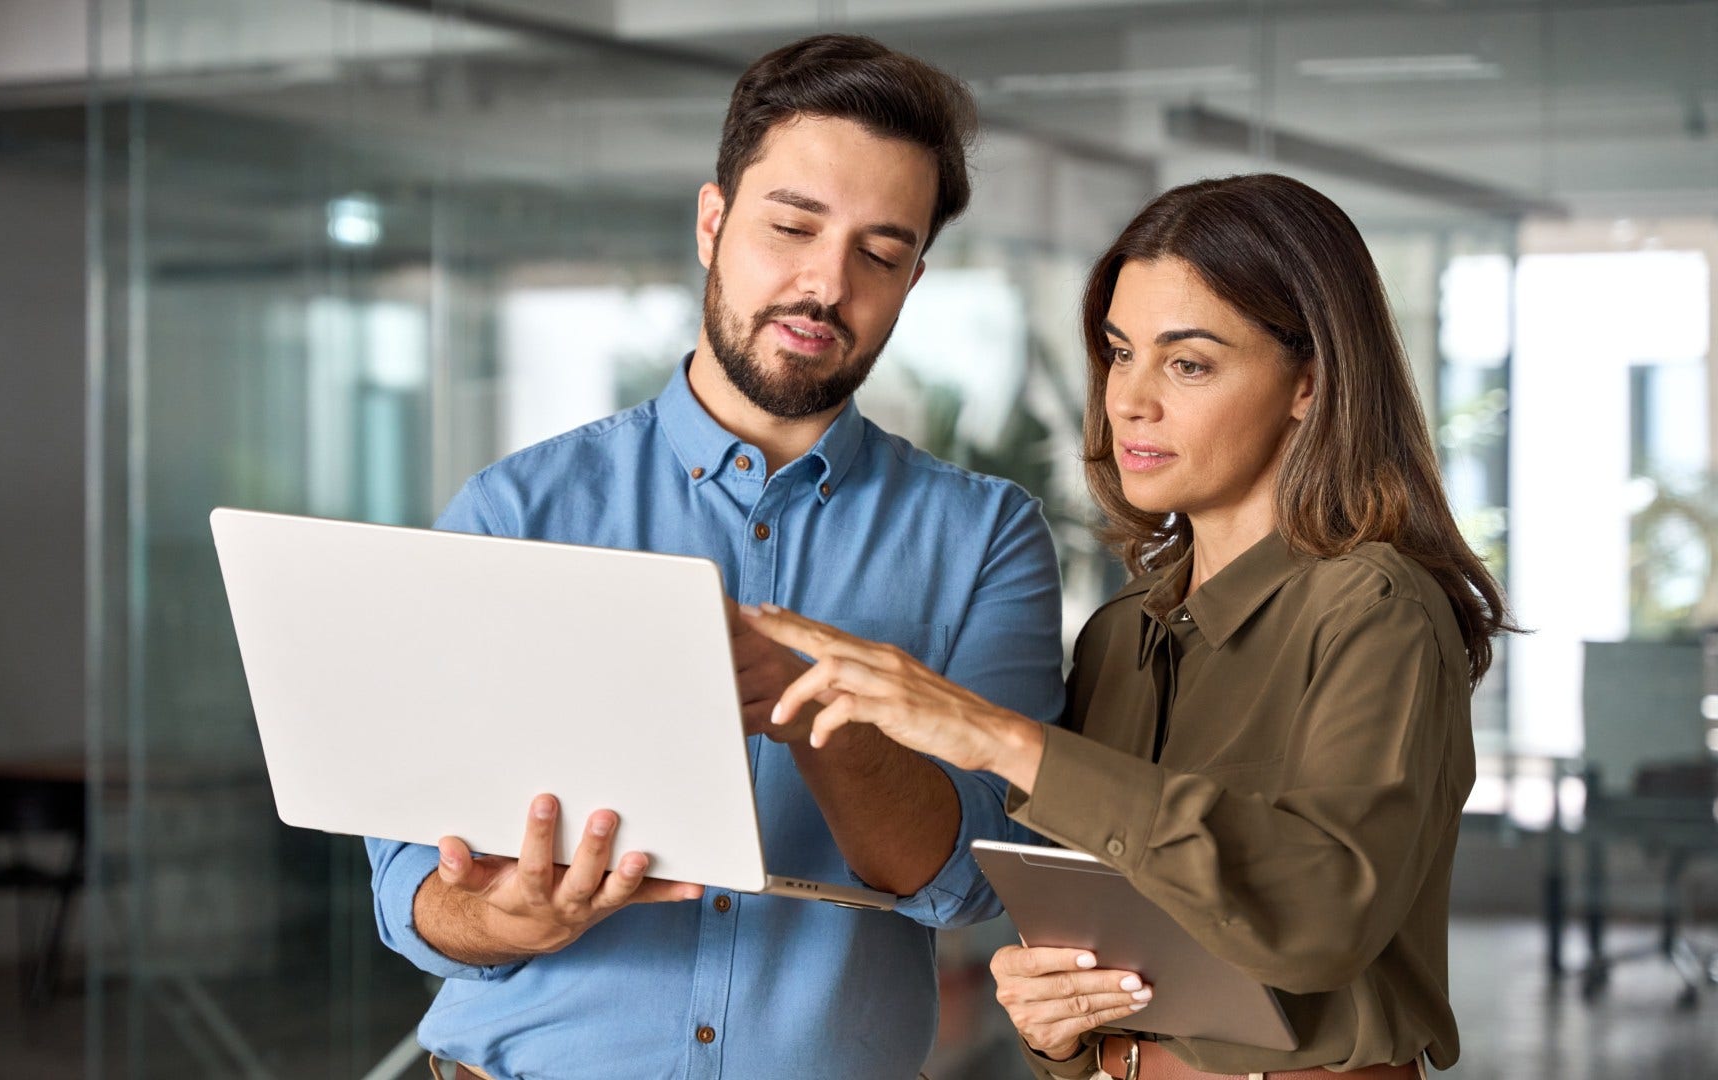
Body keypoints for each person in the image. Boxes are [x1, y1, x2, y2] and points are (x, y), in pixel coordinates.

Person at [363, 34, 1068, 1080]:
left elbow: (974, 881)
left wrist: (810, 703)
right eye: (792, 226)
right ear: (712, 222)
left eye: (879, 255)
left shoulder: (986, 538)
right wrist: (500, 919)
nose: (825, 284)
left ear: (913, 279)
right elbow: (409, 887)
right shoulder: (515, 511)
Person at [747, 173, 1512, 1079]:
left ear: (1308, 383)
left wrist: (1001, 739)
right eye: (1120, 353)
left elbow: (1321, 920)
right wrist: (1056, 1024)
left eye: (1188, 364)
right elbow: (1103, 952)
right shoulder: (1119, 638)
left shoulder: (1377, 611)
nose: (1130, 400)